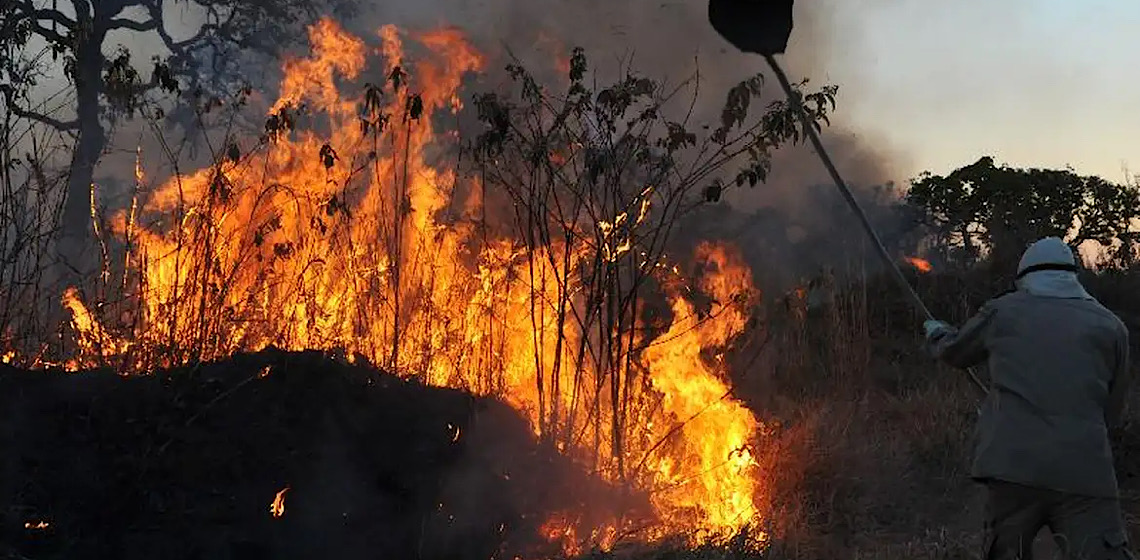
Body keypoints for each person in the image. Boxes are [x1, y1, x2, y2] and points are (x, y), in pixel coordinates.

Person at [924, 236, 1134, 560]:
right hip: (1085, 471)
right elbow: (1112, 409)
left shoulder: (1002, 311)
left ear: (1025, 277)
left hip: (1012, 468)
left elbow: (956, 351)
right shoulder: (1111, 326)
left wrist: (937, 333)